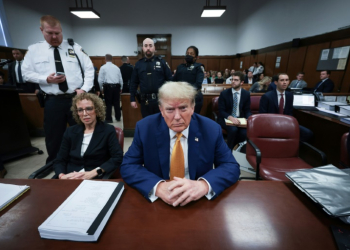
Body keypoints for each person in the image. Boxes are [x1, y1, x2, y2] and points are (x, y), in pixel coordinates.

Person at [121, 81, 240, 207]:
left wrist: (203, 185)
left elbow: (230, 166)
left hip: (198, 201)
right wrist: (158, 187)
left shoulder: (211, 129)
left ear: (193, 107)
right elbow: (128, 165)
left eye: (183, 108)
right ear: (161, 110)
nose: (177, 116)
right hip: (158, 201)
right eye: (170, 109)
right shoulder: (145, 128)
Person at [22, 15, 94, 164]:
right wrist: (46, 79)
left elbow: (89, 69)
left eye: (57, 33)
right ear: (42, 30)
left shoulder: (74, 47)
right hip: (53, 100)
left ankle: (80, 161)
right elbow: (26, 73)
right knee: (54, 135)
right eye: (50, 33)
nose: (54, 36)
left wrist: (84, 88)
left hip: (75, 98)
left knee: (81, 131)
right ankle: (55, 164)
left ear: (62, 30)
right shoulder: (34, 50)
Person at [54, 93, 123, 179]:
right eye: (80, 110)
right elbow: (60, 160)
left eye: (89, 109)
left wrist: (94, 172)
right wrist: (62, 176)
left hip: (95, 177)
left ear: (97, 110)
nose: (85, 113)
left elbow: (117, 157)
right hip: (69, 176)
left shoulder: (108, 130)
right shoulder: (70, 131)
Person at [259, 73, 313, 143]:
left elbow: (290, 112)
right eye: (282, 80)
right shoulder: (267, 96)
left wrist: (289, 123)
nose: (285, 82)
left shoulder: (290, 95)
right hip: (271, 124)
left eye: (287, 80)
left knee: (308, 133)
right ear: (275, 82)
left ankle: (291, 148)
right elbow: (262, 115)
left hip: (286, 123)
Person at [130, 38, 172, 118]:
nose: (148, 48)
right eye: (145, 46)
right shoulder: (138, 64)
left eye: (150, 45)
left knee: (162, 123)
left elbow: (170, 81)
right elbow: (133, 83)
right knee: (147, 125)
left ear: (154, 48)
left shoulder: (162, 63)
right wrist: (132, 99)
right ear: (142, 48)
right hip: (145, 102)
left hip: (160, 100)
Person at [218, 71, 252, 150]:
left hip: (240, 119)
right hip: (226, 118)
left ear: (242, 82)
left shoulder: (246, 94)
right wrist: (230, 117)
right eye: (232, 79)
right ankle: (229, 151)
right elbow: (221, 110)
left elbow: (247, 110)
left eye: (236, 80)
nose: (233, 81)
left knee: (244, 133)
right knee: (233, 130)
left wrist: (248, 119)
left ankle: (238, 150)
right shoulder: (224, 93)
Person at [173, 45, 204, 113]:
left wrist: (186, 92)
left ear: (196, 57)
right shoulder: (180, 67)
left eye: (191, 54)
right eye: (187, 53)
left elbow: (198, 84)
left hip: (194, 98)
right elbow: (173, 81)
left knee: (192, 120)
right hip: (180, 98)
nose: (188, 55)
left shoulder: (199, 67)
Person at [98, 54, 123, 122]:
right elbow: (120, 79)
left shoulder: (103, 67)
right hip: (117, 87)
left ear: (105, 59)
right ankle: (118, 117)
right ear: (112, 59)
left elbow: (100, 80)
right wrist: (121, 88)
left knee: (108, 103)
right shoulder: (117, 67)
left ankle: (109, 118)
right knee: (116, 103)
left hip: (108, 87)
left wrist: (100, 89)